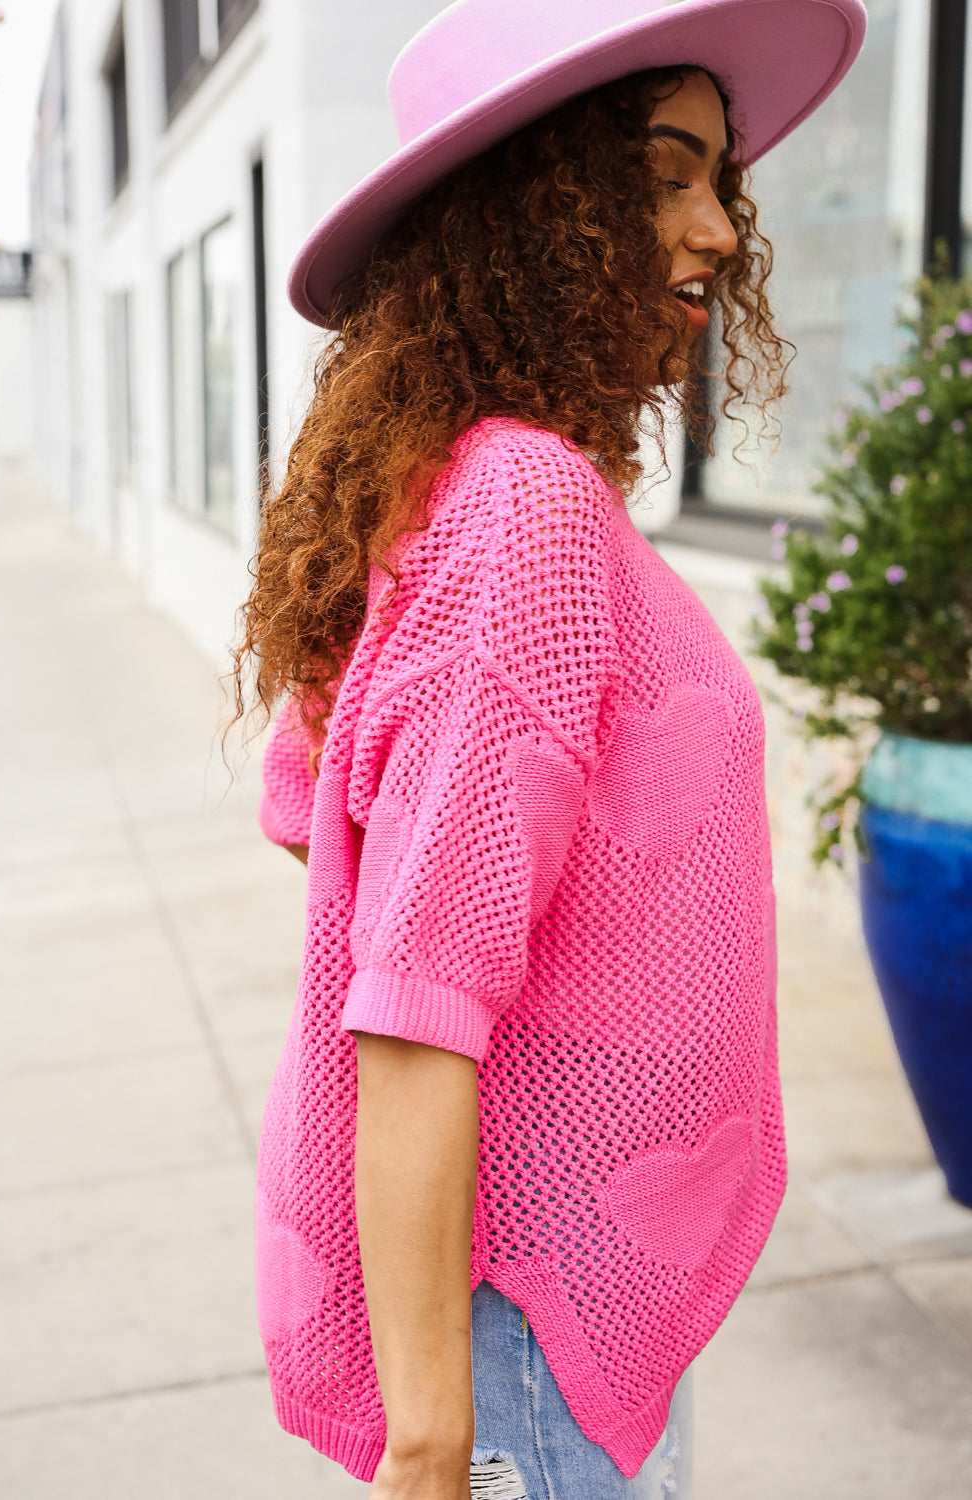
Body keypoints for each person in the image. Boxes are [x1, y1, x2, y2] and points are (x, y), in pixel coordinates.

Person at [233, 3, 867, 1496]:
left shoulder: (471, 484)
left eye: (722, 181)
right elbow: (412, 1002)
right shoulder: (522, 507)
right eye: (665, 173)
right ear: (541, 203)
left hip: (537, 1310)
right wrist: (436, 1446)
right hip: (519, 1343)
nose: (717, 228)